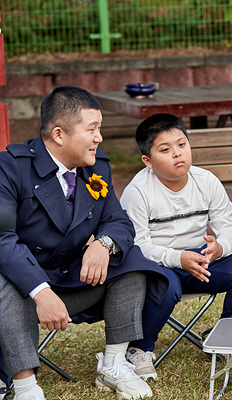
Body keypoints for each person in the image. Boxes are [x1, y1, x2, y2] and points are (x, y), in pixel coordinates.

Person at [0, 86, 168, 400]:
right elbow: (2, 241)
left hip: (70, 282)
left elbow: (119, 222)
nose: (99, 138)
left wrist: (103, 244)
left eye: (99, 128)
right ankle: (25, 387)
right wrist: (40, 291)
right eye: (92, 129)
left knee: (131, 260)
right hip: (21, 290)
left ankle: (114, 364)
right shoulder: (10, 167)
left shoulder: (96, 166)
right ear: (59, 134)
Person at [120, 113, 232, 380]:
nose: (177, 154)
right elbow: (137, 247)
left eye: (182, 144)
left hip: (201, 261)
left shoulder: (206, 180)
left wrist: (220, 247)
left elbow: (231, 227)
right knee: (167, 284)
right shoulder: (138, 192)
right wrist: (178, 259)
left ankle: (227, 336)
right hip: (158, 267)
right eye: (165, 150)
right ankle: (139, 349)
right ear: (148, 161)